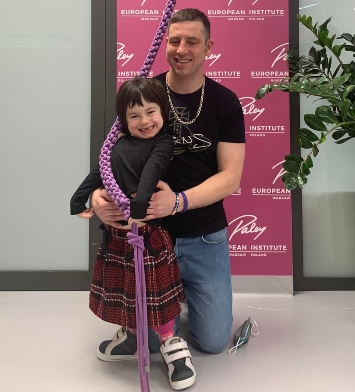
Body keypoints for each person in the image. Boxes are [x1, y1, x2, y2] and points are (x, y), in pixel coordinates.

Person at [90, 8, 246, 390]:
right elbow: (111, 155)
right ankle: (160, 315)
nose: (181, 48)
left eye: (192, 41)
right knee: (150, 343)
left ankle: (184, 299)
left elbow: (231, 177)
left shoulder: (225, 103)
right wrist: (97, 197)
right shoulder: (144, 95)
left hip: (203, 235)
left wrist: (177, 202)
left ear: (208, 46)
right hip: (146, 238)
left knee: (211, 342)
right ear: (165, 44)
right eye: (174, 40)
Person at [70, 77, 196, 389]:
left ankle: (170, 343)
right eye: (134, 116)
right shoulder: (117, 144)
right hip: (117, 235)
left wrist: (137, 209)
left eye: (151, 112)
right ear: (123, 121)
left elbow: (152, 171)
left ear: (163, 111)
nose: (144, 121)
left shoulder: (163, 141)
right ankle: (132, 336)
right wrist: (79, 199)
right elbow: (100, 171)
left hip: (147, 233)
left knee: (156, 295)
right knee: (127, 290)